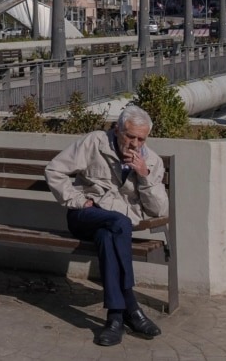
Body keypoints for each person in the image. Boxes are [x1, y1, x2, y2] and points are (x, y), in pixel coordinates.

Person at [45, 104, 167, 346]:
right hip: (84, 216)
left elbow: (159, 210)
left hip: (113, 227)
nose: (134, 144)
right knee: (119, 222)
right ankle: (132, 307)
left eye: (140, 139)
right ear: (117, 129)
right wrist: (78, 200)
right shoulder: (95, 142)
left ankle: (115, 318)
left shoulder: (151, 161)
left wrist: (144, 174)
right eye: (130, 136)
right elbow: (54, 170)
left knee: (109, 235)